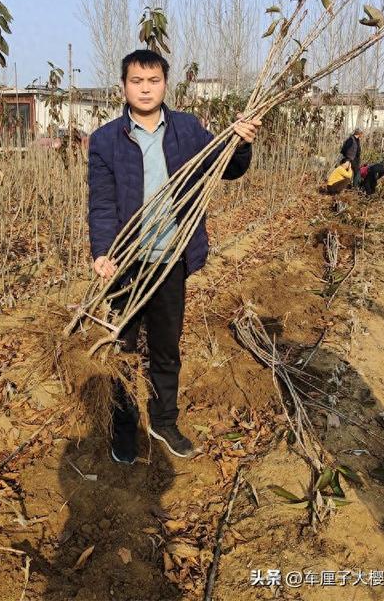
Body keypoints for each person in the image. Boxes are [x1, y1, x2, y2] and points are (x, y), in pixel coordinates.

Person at [88, 49, 261, 464]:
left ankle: (164, 421)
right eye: (136, 81)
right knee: (123, 349)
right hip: (128, 263)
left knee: (166, 348)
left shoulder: (187, 129)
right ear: (123, 86)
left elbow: (228, 169)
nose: (145, 89)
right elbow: (102, 202)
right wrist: (102, 252)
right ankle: (124, 428)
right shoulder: (106, 140)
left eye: (153, 81)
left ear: (166, 84)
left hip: (171, 257)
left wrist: (239, 143)